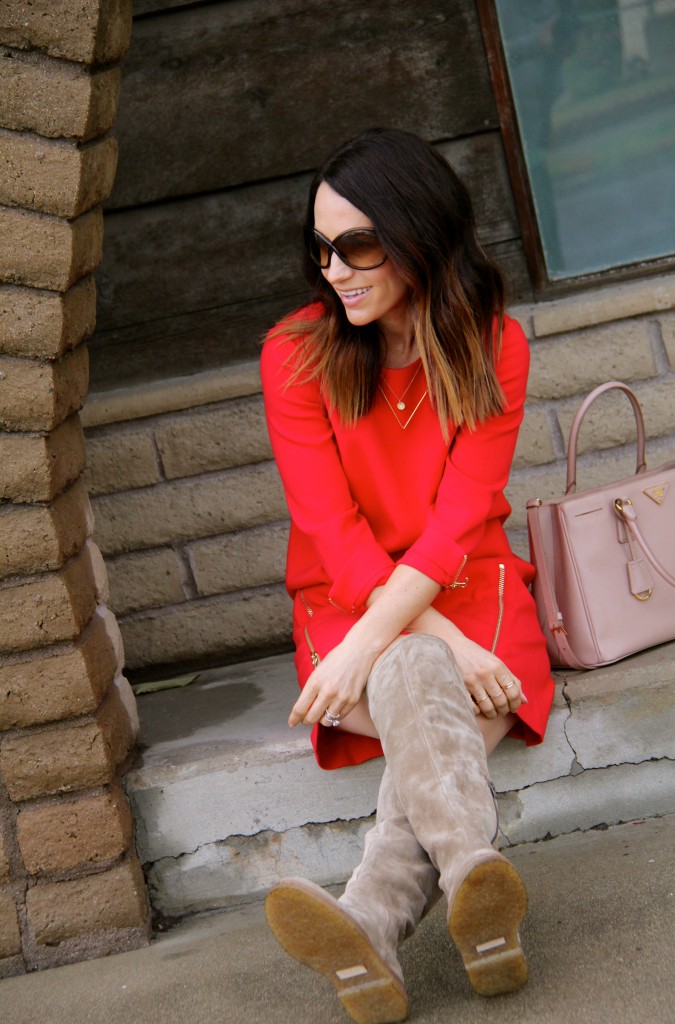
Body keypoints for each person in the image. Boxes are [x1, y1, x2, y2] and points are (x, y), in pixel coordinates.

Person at [260, 128, 554, 1024]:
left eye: (356, 245)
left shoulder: (492, 344)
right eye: (321, 250)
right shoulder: (295, 353)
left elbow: (462, 519)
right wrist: (428, 640)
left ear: (418, 230)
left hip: (466, 584)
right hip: (349, 595)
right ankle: (474, 874)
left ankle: (370, 923)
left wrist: (391, 639)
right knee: (423, 671)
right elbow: (332, 532)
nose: (335, 270)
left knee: (412, 671)